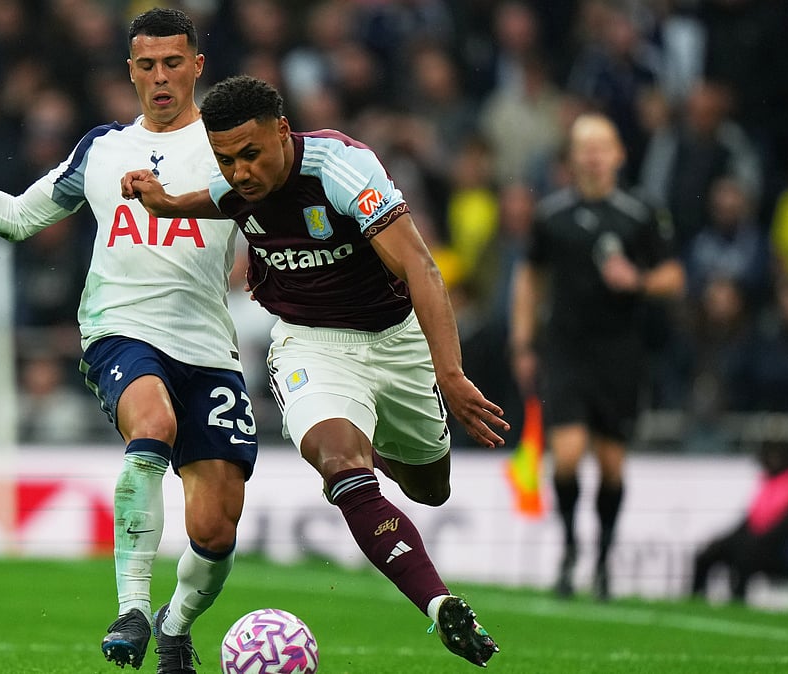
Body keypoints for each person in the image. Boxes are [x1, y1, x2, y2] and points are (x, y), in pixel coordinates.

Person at [0, 9, 257, 674]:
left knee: (215, 531)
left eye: (173, 63)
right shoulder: (101, 150)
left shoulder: (233, 150)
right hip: (120, 330)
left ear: (197, 66)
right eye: (146, 65)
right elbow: (21, 218)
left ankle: (173, 624)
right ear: (130, 71)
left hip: (208, 348)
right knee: (153, 421)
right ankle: (133, 608)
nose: (160, 77)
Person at [123, 75, 504, 668]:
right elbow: (218, 196)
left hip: (396, 341)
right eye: (226, 159)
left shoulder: (342, 167)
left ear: (282, 131)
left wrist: (450, 374)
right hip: (310, 345)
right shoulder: (235, 177)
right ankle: (440, 607)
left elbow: (422, 268)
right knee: (341, 468)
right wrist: (166, 202)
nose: (240, 171)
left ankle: (368, 440)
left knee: (431, 489)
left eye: (251, 154)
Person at [509, 112, 685, 601]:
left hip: (620, 353)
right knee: (566, 456)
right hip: (566, 350)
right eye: (583, 146)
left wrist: (640, 281)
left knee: (611, 465)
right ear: (571, 156)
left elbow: (674, 276)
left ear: (618, 154)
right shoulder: (551, 215)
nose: (591, 154)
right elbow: (530, 278)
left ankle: (604, 561)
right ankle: (569, 549)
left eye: (600, 145)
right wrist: (523, 340)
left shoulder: (640, 212)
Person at [690, 438, 788, 604]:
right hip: (769, 546)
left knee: (746, 556)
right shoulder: (772, 482)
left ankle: (737, 604)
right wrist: (725, 542)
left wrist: (752, 543)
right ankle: (695, 601)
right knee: (711, 553)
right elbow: (752, 521)